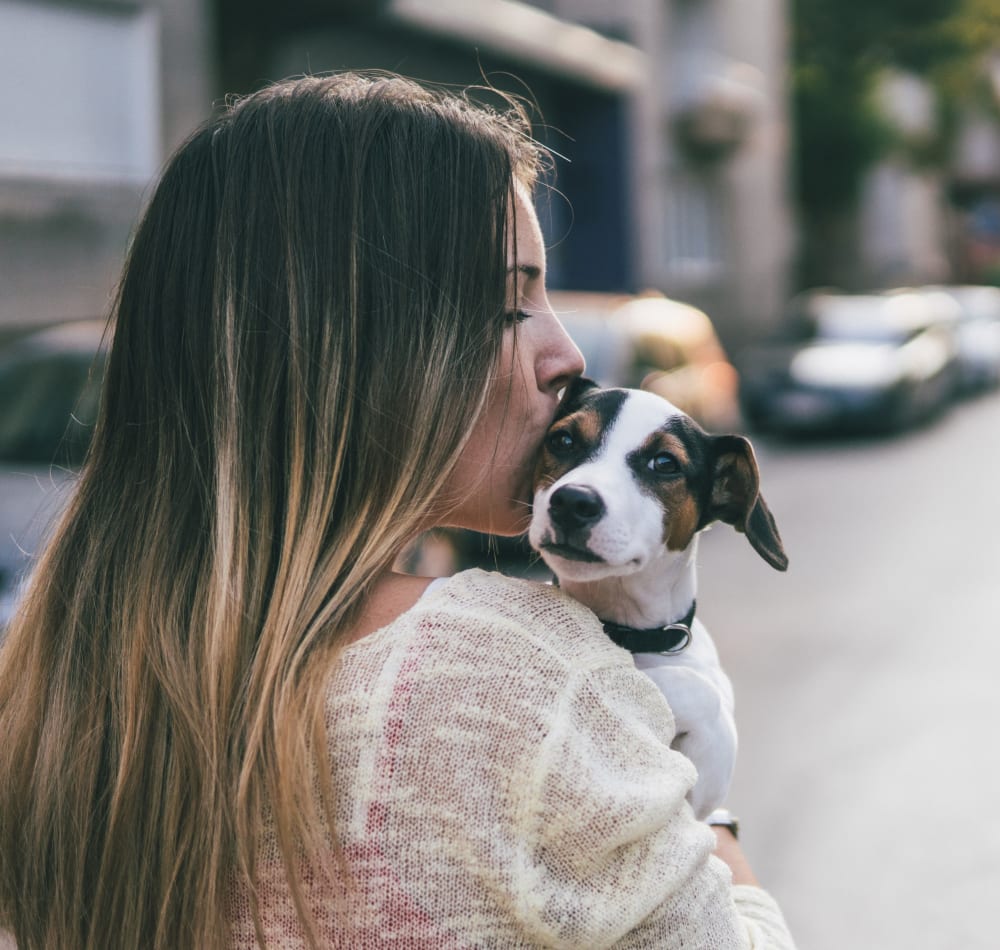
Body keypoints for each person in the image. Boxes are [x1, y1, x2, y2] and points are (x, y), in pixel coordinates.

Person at [0, 72, 795, 949]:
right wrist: (711, 830)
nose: (565, 353)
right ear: (363, 355)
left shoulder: (50, 671)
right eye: (511, 302)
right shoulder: (519, 675)